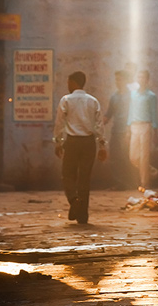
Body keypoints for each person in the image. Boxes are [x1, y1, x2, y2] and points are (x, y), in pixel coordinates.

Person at [53, 71, 107, 224]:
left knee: (67, 174)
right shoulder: (93, 101)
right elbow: (99, 126)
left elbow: (60, 123)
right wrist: (102, 145)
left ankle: (73, 199)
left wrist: (58, 142)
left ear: (74, 83)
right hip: (89, 143)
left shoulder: (66, 100)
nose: (67, 85)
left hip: (72, 142)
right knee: (85, 178)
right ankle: (82, 215)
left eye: (69, 82)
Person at [127, 69, 158, 189]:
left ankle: (144, 184)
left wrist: (156, 132)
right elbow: (130, 111)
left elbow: (154, 114)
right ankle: (151, 171)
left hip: (146, 125)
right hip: (134, 126)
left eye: (143, 77)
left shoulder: (151, 96)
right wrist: (128, 127)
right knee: (133, 157)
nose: (141, 79)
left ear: (147, 80)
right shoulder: (133, 94)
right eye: (139, 77)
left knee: (144, 156)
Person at [104, 70, 132, 190]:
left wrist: (129, 130)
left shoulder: (131, 96)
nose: (117, 82)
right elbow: (109, 114)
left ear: (125, 80)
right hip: (115, 130)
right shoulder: (114, 97)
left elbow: (134, 113)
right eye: (116, 79)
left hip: (126, 130)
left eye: (119, 79)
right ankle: (119, 183)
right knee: (115, 157)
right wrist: (98, 125)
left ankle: (129, 182)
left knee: (126, 157)